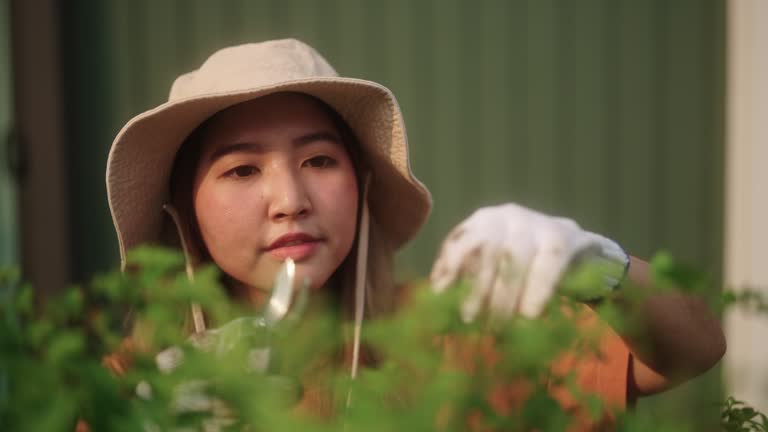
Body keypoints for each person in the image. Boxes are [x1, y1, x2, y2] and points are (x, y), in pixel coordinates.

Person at [104, 38, 726, 429]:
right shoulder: (128, 383)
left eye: (320, 160)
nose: (290, 201)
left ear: (363, 186)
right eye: (241, 170)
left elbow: (693, 350)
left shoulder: (455, 336)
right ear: (183, 211)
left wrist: (597, 262)